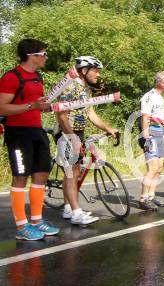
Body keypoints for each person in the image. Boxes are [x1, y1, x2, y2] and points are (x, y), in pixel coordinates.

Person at [0, 38, 59, 240]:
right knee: (20, 177)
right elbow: (2, 107)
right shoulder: (12, 77)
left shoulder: (38, 77)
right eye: (44, 54)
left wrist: (43, 105)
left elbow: (35, 103)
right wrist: (31, 106)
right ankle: (21, 227)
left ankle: (37, 220)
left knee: (41, 173)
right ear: (32, 55)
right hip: (17, 133)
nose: (46, 57)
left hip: (36, 130)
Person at [54, 56, 118, 225]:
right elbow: (61, 115)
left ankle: (68, 208)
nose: (98, 74)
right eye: (96, 70)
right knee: (71, 171)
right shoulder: (71, 86)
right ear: (84, 71)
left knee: (73, 172)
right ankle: (76, 213)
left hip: (78, 133)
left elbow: (90, 113)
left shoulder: (86, 89)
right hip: (66, 132)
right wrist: (72, 138)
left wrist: (108, 128)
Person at [138, 71, 164, 210]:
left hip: (159, 134)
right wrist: (146, 135)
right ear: (161, 82)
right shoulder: (149, 96)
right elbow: (145, 117)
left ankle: (151, 196)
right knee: (152, 168)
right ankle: (143, 198)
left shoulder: (160, 97)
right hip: (150, 135)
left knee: (159, 167)